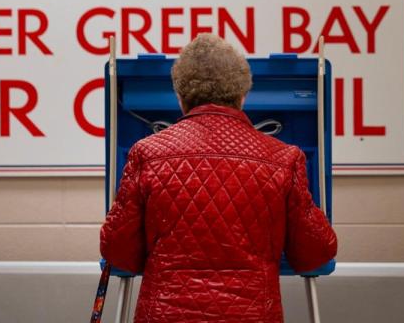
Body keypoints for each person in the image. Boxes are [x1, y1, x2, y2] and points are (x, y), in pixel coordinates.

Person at [100, 34, 338, 322]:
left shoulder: (146, 154)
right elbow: (315, 254)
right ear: (243, 95)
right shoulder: (284, 158)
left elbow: (117, 251)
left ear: (180, 96)